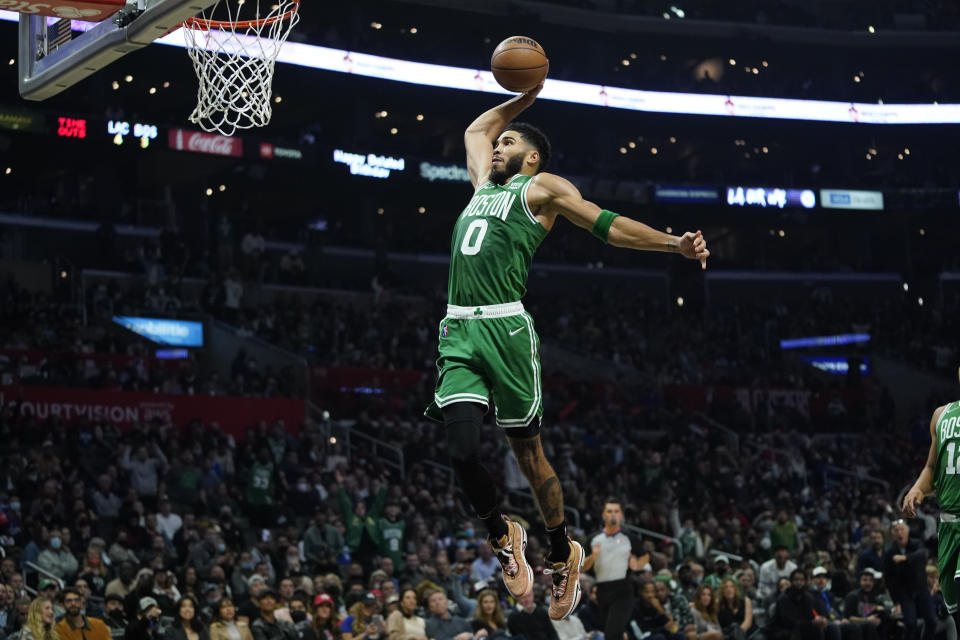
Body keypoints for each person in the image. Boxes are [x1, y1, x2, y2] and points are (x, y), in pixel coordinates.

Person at [422, 83, 709, 622]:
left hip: (506, 330)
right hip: (458, 328)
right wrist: (524, 96)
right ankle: (503, 535)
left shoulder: (541, 188)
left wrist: (673, 244)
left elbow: (608, 225)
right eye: (499, 144)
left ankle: (561, 551)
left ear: (530, 157)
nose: (497, 146)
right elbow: (474, 130)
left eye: (509, 143)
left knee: (528, 457)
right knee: (460, 448)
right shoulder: (482, 184)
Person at [903, 394, 960, 633]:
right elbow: (931, 467)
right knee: (956, 613)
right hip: (948, 527)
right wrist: (917, 488)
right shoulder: (941, 415)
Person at [582, 499, 648, 640]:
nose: (613, 515)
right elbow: (583, 566)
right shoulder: (593, 538)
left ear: (621, 515)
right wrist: (593, 557)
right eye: (609, 511)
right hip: (602, 589)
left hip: (623, 589)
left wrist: (635, 564)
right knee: (611, 633)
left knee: (613, 632)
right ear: (603, 515)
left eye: (616, 511)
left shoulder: (630, 537)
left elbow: (645, 557)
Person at [881, 519, 935, 640]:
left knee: (932, 620)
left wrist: (905, 558)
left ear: (907, 532)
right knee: (910, 624)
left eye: (902, 530)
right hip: (904, 591)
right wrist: (896, 601)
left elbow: (922, 554)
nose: (899, 533)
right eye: (896, 530)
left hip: (921, 587)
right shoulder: (890, 553)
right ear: (893, 535)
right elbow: (888, 578)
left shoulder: (916, 544)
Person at [766, 570, 831, 640]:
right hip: (783, 629)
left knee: (826, 628)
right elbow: (788, 623)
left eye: (802, 580)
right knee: (795, 633)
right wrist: (812, 623)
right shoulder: (783, 599)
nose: (799, 582)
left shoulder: (808, 598)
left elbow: (810, 617)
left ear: (805, 582)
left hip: (803, 627)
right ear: (791, 582)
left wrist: (820, 620)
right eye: (796, 580)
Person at [840, 569, 889, 640]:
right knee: (869, 626)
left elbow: (883, 609)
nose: (868, 583)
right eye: (865, 580)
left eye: (870, 580)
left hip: (873, 627)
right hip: (857, 627)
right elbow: (847, 618)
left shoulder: (875, 597)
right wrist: (866, 620)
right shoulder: (853, 596)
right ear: (860, 581)